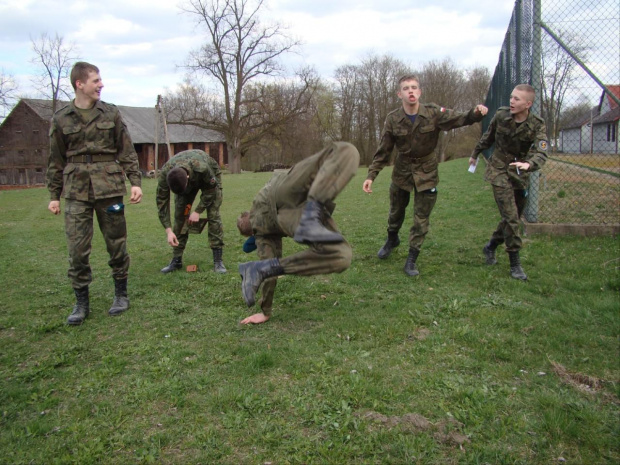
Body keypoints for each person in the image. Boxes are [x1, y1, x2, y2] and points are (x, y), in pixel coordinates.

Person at [46, 61, 143, 325]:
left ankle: (121, 295)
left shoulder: (111, 114)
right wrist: (54, 195)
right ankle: (81, 303)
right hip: (76, 191)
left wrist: (135, 181)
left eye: (100, 80)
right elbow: (55, 160)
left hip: (110, 189)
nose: (101, 85)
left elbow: (126, 150)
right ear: (80, 84)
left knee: (117, 243)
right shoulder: (61, 118)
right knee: (77, 249)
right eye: (96, 80)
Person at [363, 74, 488, 277]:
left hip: (427, 171)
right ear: (399, 94)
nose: (410, 91)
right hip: (402, 171)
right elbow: (383, 150)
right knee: (396, 212)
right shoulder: (393, 119)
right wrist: (371, 175)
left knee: (421, 218)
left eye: (414, 87)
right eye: (406, 88)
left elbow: (460, 118)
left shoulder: (433, 113)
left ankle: (412, 258)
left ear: (419, 92)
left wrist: (476, 113)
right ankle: (392, 238)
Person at [237, 141, 360, 325]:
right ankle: (314, 209)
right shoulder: (260, 218)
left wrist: (266, 311)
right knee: (346, 150)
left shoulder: (261, 234)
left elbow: (268, 273)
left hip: (290, 206)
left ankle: (313, 210)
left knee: (342, 256)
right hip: (289, 197)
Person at [469, 84, 548, 280]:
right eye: (511, 97)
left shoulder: (537, 124)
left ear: (528, 104)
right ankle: (515, 263)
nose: (512, 101)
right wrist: (475, 154)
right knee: (512, 218)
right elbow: (488, 137)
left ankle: (491, 246)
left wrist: (529, 165)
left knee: (511, 217)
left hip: (520, 173)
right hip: (498, 170)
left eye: (517, 99)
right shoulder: (501, 115)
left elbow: (542, 151)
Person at [156, 149, 226, 274]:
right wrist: (168, 230)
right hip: (186, 178)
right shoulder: (166, 174)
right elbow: (161, 203)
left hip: (210, 179)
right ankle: (176, 260)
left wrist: (198, 211)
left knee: (213, 214)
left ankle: (218, 261)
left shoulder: (202, 168)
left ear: (187, 178)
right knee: (180, 216)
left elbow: (211, 190)